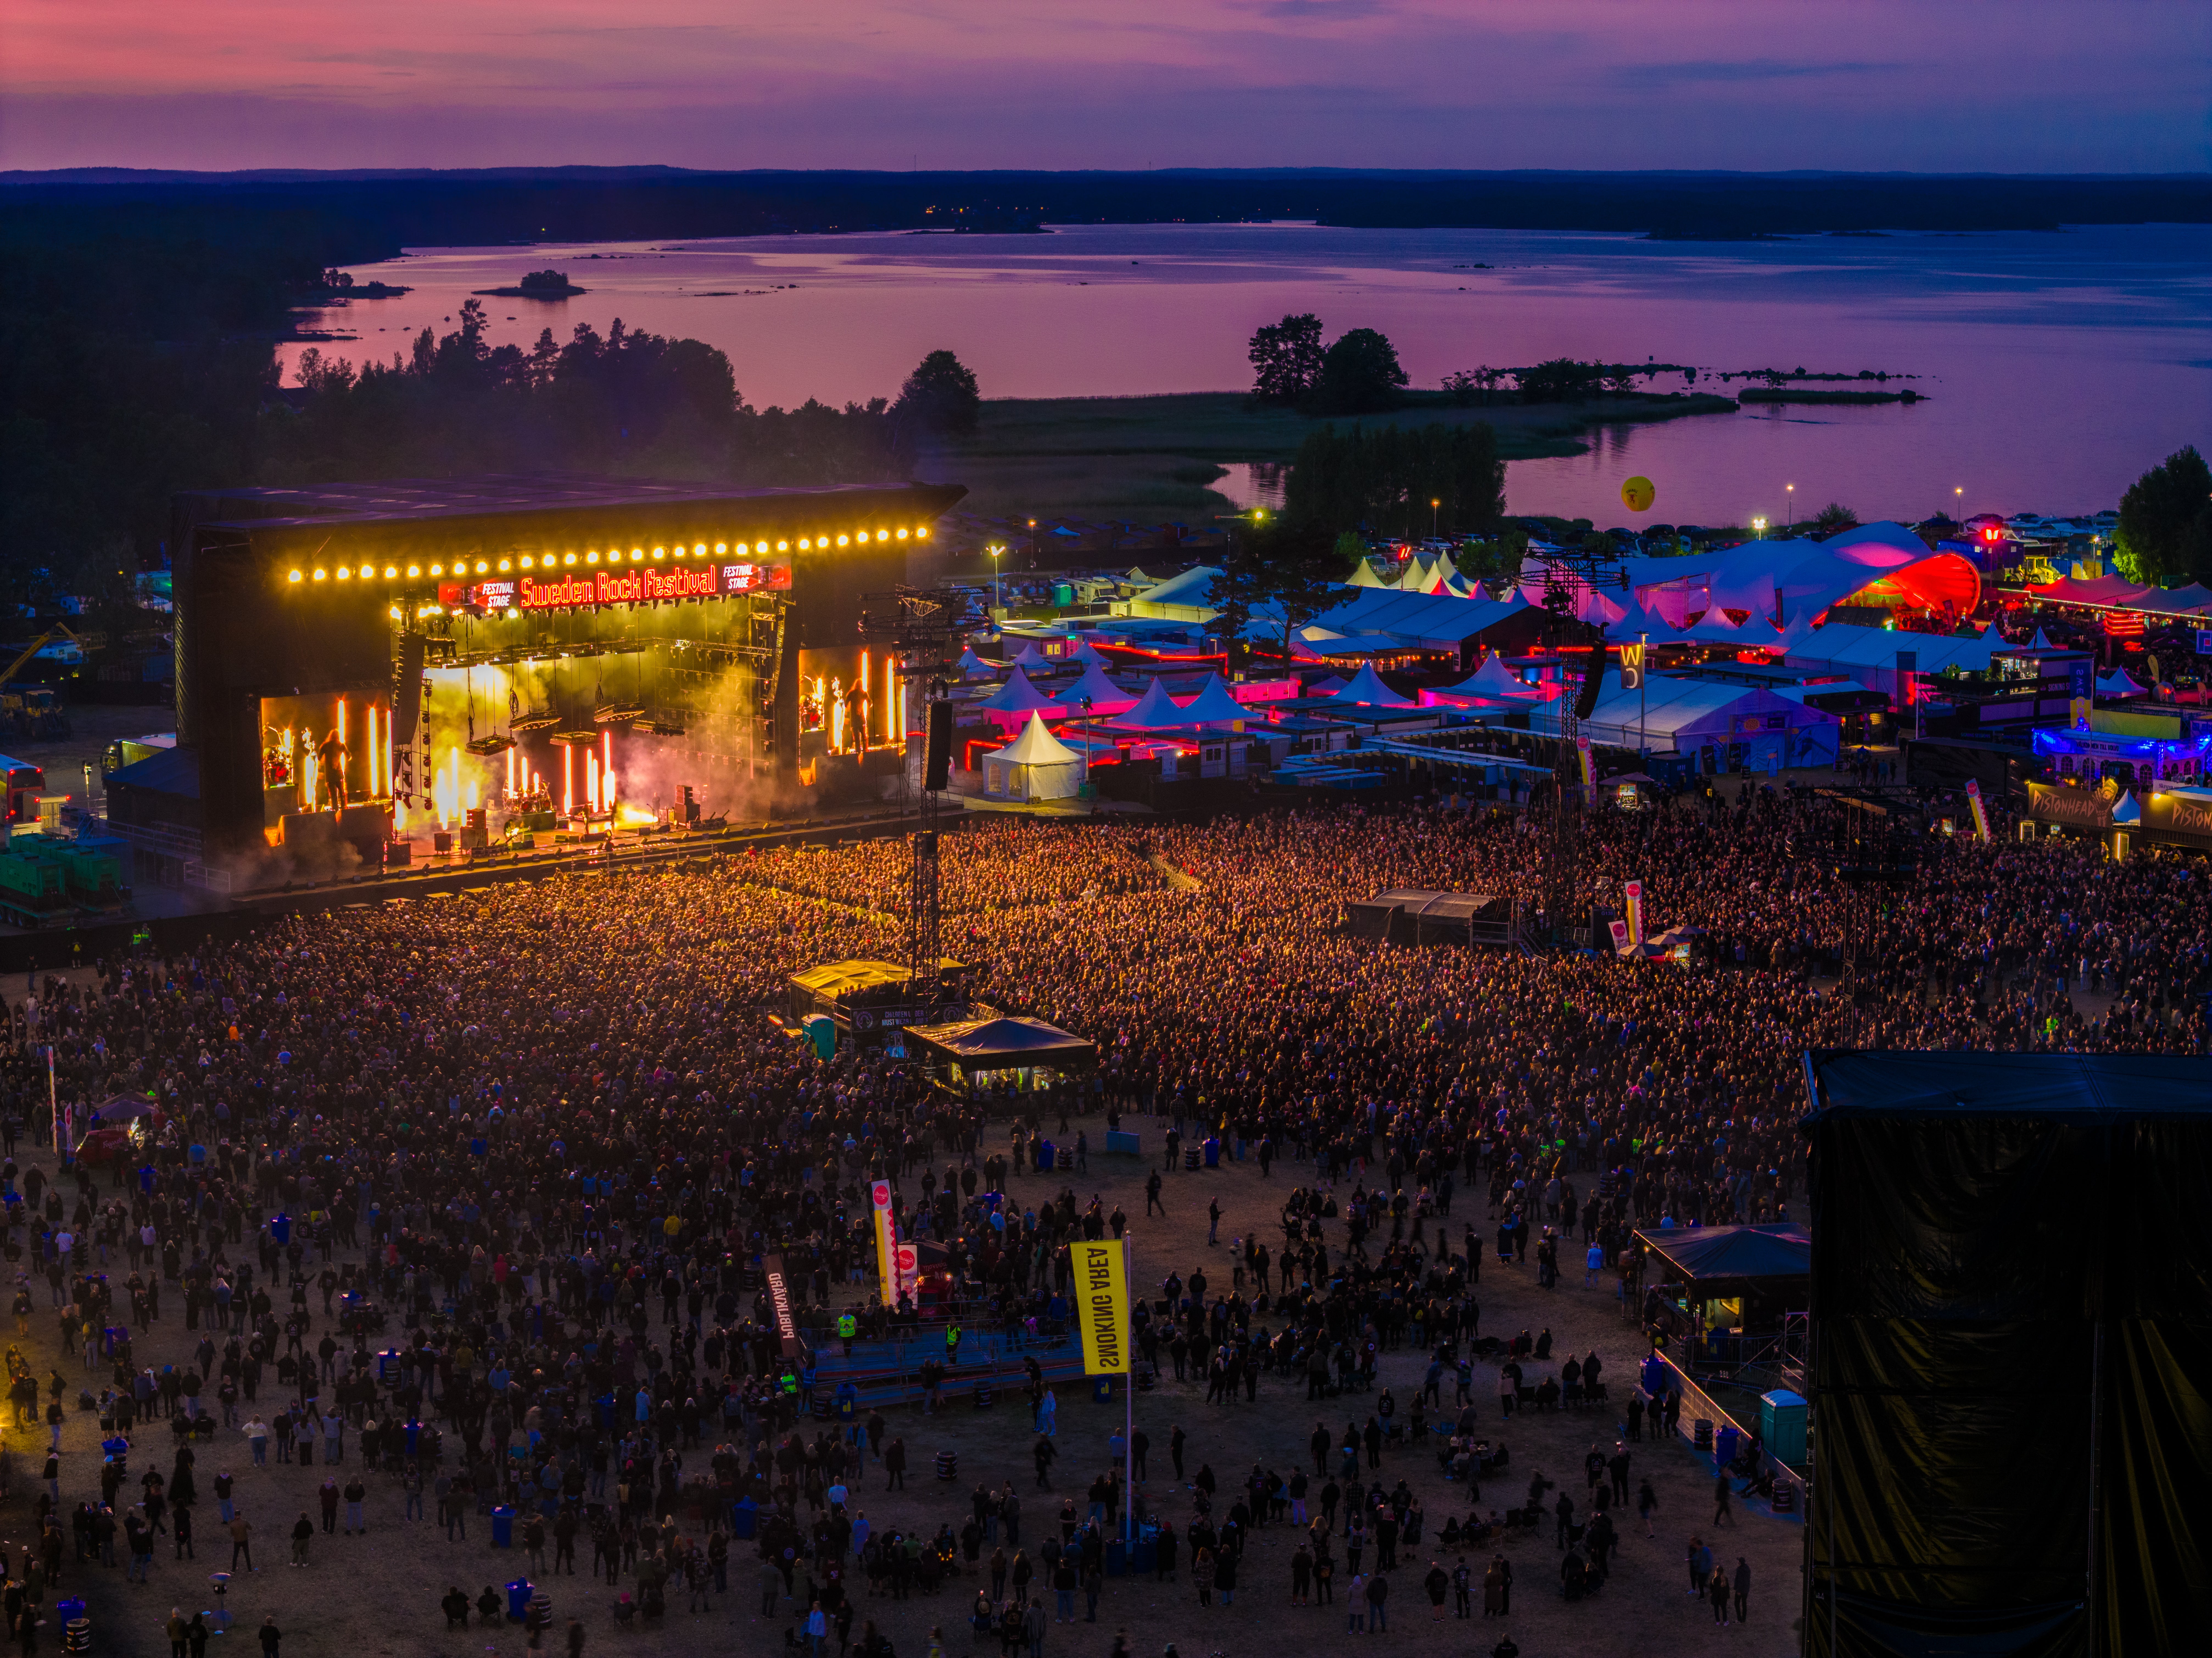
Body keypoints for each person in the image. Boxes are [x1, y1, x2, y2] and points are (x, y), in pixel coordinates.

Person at [1733, 1556, 1752, 1623]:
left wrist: (1738, 1590)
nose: (1738, 1562)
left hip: (1741, 1590)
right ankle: (1744, 1619)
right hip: (1746, 1590)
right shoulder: (1747, 1569)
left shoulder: (1740, 1570)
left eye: (1739, 1561)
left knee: (1737, 1604)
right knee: (1744, 1604)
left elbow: (1740, 1581)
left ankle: (1739, 1619)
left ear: (1740, 1563)